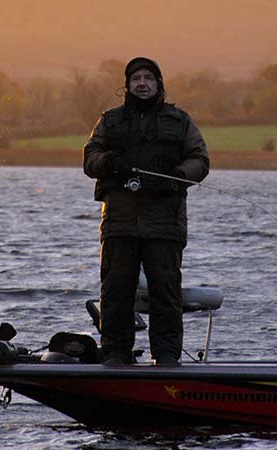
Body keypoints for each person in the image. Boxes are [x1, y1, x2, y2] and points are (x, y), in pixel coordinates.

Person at [83, 57, 210, 367]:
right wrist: (109, 162)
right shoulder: (109, 121)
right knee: (115, 291)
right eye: (136, 78)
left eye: (148, 78)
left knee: (166, 293)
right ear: (126, 85)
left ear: (159, 84)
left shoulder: (180, 121)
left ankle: (166, 357)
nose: (142, 83)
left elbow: (200, 161)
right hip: (119, 223)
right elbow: (90, 159)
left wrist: (177, 176)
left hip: (165, 224)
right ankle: (116, 354)